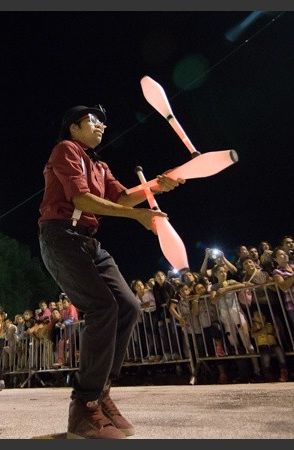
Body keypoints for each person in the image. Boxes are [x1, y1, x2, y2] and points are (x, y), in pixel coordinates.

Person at [38, 104, 183, 439]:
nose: (101, 125)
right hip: (61, 237)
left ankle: (101, 392)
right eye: (92, 120)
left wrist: (159, 186)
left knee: (130, 306)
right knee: (102, 307)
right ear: (73, 128)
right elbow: (83, 200)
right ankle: (83, 405)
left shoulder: (100, 165)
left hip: (88, 241)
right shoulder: (66, 150)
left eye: (104, 120)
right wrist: (139, 217)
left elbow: (123, 196)